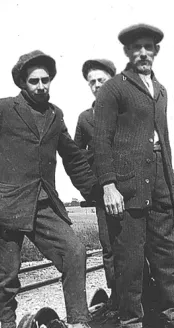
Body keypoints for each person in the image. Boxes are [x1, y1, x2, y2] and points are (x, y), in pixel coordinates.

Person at [0, 50, 113, 328]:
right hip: (8, 204)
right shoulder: (3, 109)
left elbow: (73, 156)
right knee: (7, 275)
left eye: (45, 79)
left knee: (74, 250)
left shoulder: (55, 115)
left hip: (42, 203)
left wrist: (95, 190)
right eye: (34, 81)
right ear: (23, 83)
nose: (41, 85)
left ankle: (78, 325)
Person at [93, 24, 174, 328]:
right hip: (128, 188)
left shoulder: (159, 89)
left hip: (161, 183)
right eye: (137, 48)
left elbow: (165, 143)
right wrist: (108, 185)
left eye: (148, 47)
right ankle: (131, 324)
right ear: (128, 53)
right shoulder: (114, 89)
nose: (143, 53)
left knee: (171, 255)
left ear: (156, 51)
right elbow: (101, 141)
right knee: (130, 260)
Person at [73, 59, 120, 311]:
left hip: (135, 192)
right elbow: (75, 157)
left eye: (102, 80)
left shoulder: (129, 112)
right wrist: (90, 189)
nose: (97, 85)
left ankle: (144, 296)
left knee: (140, 246)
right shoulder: (85, 119)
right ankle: (116, 298)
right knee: (109, 247)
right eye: (92, 82)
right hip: (104, 195)